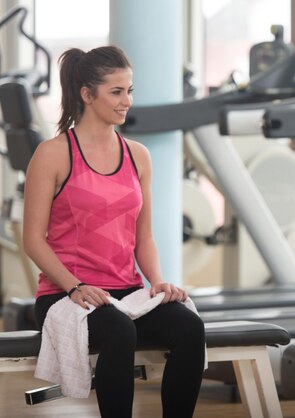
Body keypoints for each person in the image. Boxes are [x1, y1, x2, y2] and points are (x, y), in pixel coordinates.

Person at [22, 46, 206, 418]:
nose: (127, 101)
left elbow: (145, 238)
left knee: (190, 327)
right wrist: (75, 286)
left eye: (130, 90)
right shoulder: (53, 153)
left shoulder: (138, 154)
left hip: (126, 291)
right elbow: (32, 239)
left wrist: (157, 282)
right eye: (116, 92)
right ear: (87, 95)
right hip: (65, 294)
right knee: (120, 331)